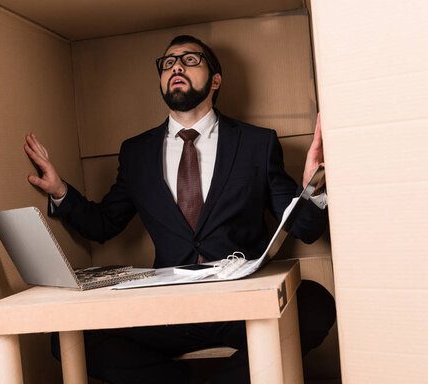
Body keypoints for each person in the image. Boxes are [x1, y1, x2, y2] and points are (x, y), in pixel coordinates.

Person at [24, 35, 335, 383]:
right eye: (168, 62)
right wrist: (60, 190)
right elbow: (104, 224)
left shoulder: (256, 143)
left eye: (190, 60)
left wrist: (312, 185)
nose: (176, 66)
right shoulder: (135, 152)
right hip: (170, 308)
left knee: (315, 304)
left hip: (242, 301)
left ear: (215, 80)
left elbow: (304, 229)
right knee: (69, 338)